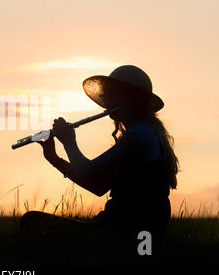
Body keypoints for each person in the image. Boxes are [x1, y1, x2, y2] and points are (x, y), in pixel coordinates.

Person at [20, 65, 179, 238]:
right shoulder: (143, 132)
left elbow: (86, 171)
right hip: (127, 226)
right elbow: (98, 186)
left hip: (128, 229)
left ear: (131, 98)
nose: (107, 100)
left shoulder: (139, 135)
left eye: (112, 94)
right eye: (107, 94)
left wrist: (69, 141)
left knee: (31, 221)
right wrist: (54, 158)